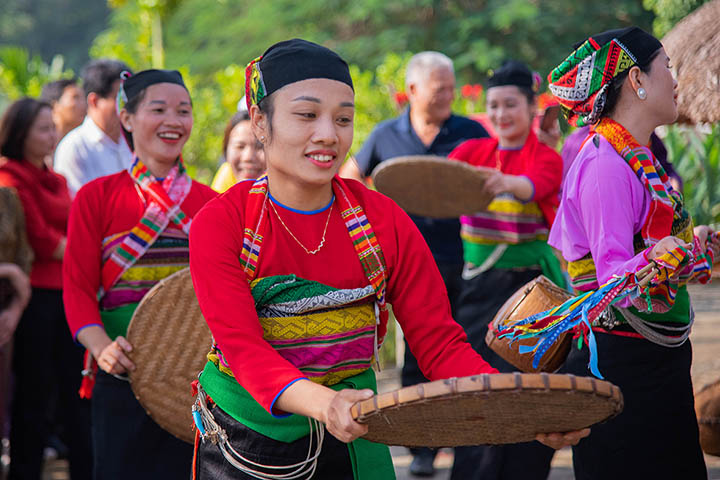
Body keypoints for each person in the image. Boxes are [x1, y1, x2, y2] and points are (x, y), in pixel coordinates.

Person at [188, 38, 587, 480]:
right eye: (307, 115)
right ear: (261, 122)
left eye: (343, 118)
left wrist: (525, 411)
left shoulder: (382, 220)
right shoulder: (223, 223)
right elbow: (244, 350)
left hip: (358, 434)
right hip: (249, 441)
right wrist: (327, 404)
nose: (329, 134)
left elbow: (439, 343)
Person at [548, 27, 720, 479]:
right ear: (637, 81)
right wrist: (663, 256)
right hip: (623, 365)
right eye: (667, 65)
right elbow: (612, 281)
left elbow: (649, 246)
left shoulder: (636, 157)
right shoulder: (605, 162)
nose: (675, 78)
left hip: (655, 360)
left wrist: (690, 243)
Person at [339, 51, 489, 475]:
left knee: (462, 350)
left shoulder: (471, 132)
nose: (448, 94)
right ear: (412, 91)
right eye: (439, 87)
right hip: (403, 267)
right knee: (416, 361)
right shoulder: (386, 134)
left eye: (451, 86)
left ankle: (469, 444)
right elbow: (350, 180)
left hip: (468, 263)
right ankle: (421, 450)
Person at [62, 69, 216, 479]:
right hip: (120, 369)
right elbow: (77, 289)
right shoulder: (96, 198)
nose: (173, 120)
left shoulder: (213, 204)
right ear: (126, 118)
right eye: (159, 109)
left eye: (183, 110)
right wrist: (100, 346)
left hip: (197, 376)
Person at [446, 60, 564, 480]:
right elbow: (438, 184)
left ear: (532, 107)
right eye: (493, 105)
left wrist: (502, 183)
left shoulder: (546, 158)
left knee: (526, 392)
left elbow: (534, 186)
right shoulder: (470, 152)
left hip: (531, 294)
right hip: (478, 293)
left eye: (510, 104)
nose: (499, 115)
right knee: (478, 388)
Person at [0, 98, 92, 480]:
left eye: (51, 126)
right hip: (33, 298)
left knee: (74, 391)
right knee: (35, 395)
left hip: (66, 294)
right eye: (42, 128)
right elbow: (43, 241)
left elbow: (75, 231)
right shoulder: (11, 179)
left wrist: (83, 250)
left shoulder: (55, 179)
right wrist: (87, 253)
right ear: (20, 133)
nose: (51, 134)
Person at [54, 59, 133, 195]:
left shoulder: (134, 141)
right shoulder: (74, 148)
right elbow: (78, 206)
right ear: (94, 101)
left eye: (130, 99)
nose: (127, 107)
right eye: (119, 100)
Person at [561, 126, 683, 191]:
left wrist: (672, 180)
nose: (674, 83)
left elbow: (665, 168)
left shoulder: (647, 136)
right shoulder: (582, 143)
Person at [210, 108, 266, 192]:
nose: (248, 157)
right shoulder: (224, 180)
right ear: (226, 150)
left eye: (259, 147)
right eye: (240, 146)